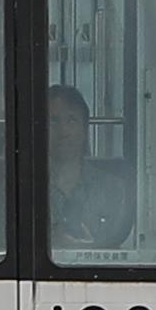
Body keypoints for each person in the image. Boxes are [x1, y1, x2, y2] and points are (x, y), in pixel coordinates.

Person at [45, 84, 137, 251]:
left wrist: (90, 250)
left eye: (71, 120)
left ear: (85, 128)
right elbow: (4, 244)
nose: (63, 131)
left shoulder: (114, 188)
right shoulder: (20, 190)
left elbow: (122, 248)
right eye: (53, 121)